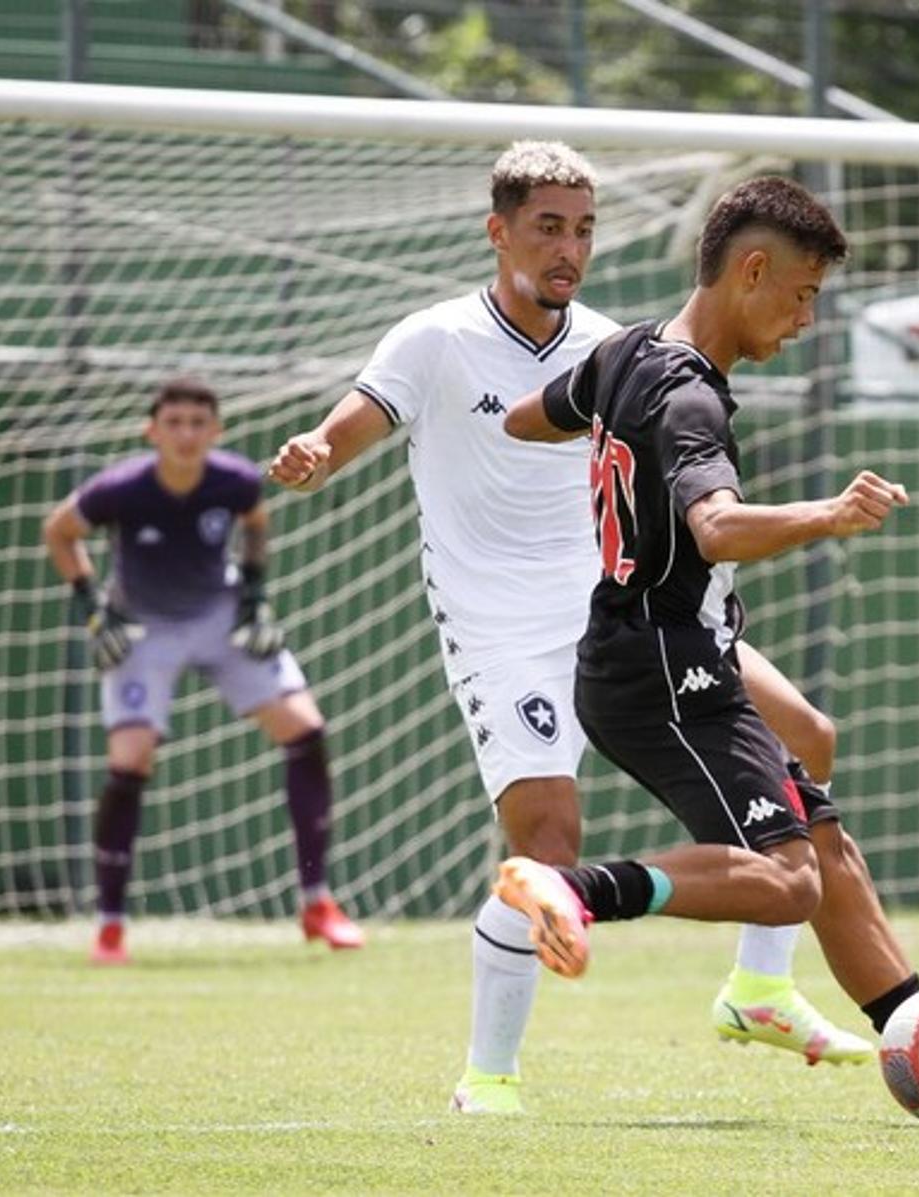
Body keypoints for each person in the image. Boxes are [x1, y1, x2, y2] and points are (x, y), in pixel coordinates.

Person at [265, 143, 872, 1116]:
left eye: (583, 229)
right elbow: (355, 423)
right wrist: (315, 454)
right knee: (549, 842)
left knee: (808, 733)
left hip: (620, 618)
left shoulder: (613, 345)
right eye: (548, 226)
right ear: (497, 230)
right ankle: (488, 1078)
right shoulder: (434, 339)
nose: (569, 249)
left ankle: (759, 989)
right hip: (499, 629)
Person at [499, 175, 919, 1125]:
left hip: (671, 647)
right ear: (752, 270)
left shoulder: (624, 351)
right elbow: (718, 528)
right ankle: (573, 887)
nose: (808, 317)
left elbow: (528, 417)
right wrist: (831, 514)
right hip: (663, 668)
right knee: (785, 880)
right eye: (803, 293)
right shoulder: (691, 399)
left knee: (825, 846)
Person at [43, 377, 363, 965]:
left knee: (306, 729)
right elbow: (60, 532)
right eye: (174, 423)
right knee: (129, 759)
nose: (186, 434)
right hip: (144, 626)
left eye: (198, 423)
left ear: (216, 431)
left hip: (220, 614)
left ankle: (317, 901)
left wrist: (255, 596)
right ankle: (110, 927)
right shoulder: (120, 489)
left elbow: (257, 525)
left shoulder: (237, 480)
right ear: (152, 431)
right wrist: (93, 610)